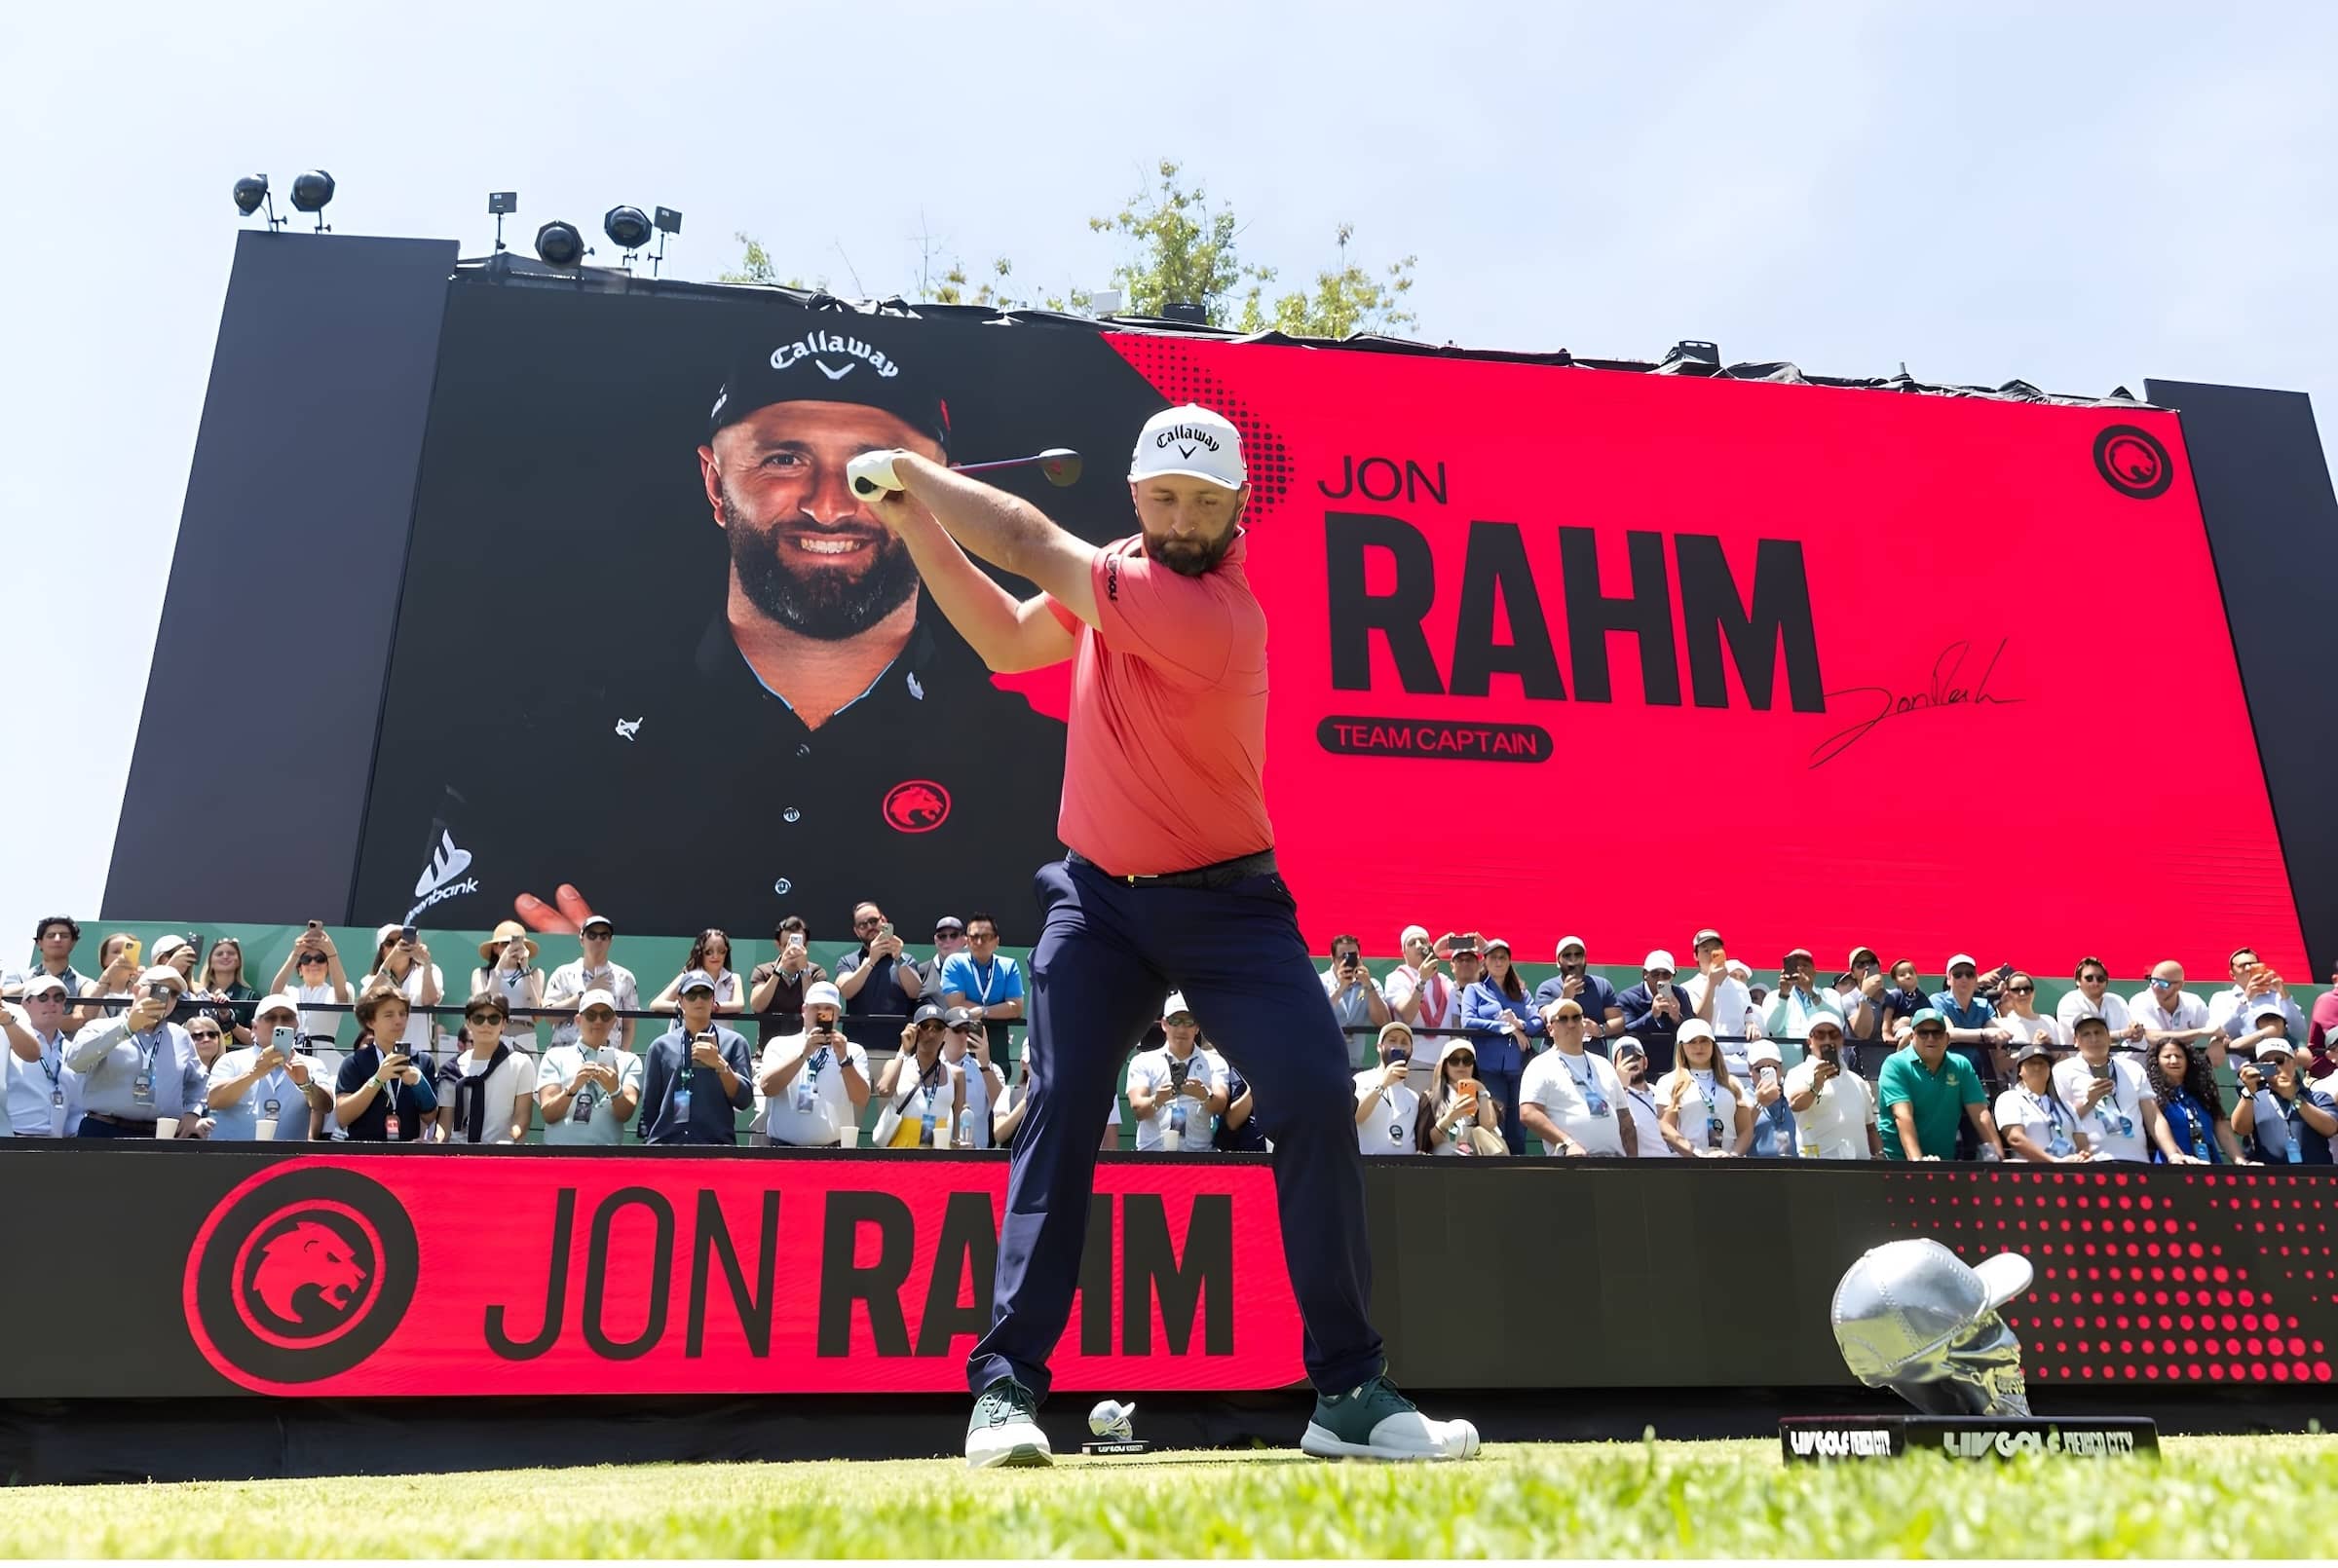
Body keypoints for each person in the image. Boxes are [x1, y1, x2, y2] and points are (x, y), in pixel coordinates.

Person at [859, 400, 1476, 1465]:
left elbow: (1019, 540)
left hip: (1231, 905)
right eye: (1164, 497)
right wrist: (913, 514)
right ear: (1136, 497)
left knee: (1317, 1094)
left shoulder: (1213, 612)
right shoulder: (1116, 577)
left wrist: (915, 471)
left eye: (1204, 499)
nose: (1183, 516)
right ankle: (1006, 1391)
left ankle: (1348, 1392)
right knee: (1059, 1106)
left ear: (1240, 507)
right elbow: (1009, 641)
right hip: (1095, 902)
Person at [376, 317, 1072, 939]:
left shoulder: (1045, 769)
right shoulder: (551, 743)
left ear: (944, 490)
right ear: (715, 483)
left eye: (875, 468)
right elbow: (427, 963)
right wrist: (547, 984)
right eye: (784, 458)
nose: (830, 506)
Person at [66, 966, 209, 1139]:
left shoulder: (180, 1036)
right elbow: (75, 1061)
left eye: (174, 994)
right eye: (159, 989)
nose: (165, 997)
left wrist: (192, 1113)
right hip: (104, 1130)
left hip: (160, 1133)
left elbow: (199, 1082)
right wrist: (126, 1029)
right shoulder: (100, 1026)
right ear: (136, 989)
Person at [637, 970, 754, 1145]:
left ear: (713, 999)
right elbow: (650, 1106)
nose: (699, 1000)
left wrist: (721, 1066)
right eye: (692, 994)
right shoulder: (661, 1046)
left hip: (716, 1145)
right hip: (667, 1145)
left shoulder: (735, 1042)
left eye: (705, 994)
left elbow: (744, 1099)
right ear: (680, 1001)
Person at [1876, 1010, 2003, 1162]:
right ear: (1912, 1037)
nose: (1931, 1038)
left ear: (1947, 1038)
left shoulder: (1960, 1065)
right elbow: (1902, 1116)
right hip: (1896, 1162)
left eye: (1937, 1033)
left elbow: (1981, 1114)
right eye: (1923, 1033)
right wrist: (1918, 1162)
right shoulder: (1895, 1064)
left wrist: (1999, 1158)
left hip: (1943, 1162)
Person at [207, 993, 336, 1141]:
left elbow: (325, 1106)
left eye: (287, 1018)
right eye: (270, 1018)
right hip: (232, 1159)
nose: (279, 1024)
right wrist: (254, 1074)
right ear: (254, 1027)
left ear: (296, 1025)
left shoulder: (311, 1064)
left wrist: (306, 1084)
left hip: (286, 1161)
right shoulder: (231, 1060)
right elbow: (214, 1101)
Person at [756, 980, 869, 1148]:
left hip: (833, 1153)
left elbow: (861, 1098)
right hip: (784, 1151)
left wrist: (844, 1060)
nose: (821, 1014)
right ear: (804, 1010)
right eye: (816, 1007)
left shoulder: (852, 1050)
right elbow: (767, 1088)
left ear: (837, 1015)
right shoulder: (779, 1045)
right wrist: (803, 1054)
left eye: (828, 1009)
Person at [1518, 998, 1632, 1157]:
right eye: (1563, 1019)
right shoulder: (1540, 1065)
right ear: (1550, 1029)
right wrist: (1567, 1142)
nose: (1571, 1024)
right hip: (1572, 1163)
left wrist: (1633, 1164)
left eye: (1576, 1017)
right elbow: (1528, 1113)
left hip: (1614, 1162)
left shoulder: (1603, 1064)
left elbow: (1625, 1117)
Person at [1457, 937, 1540, 1153]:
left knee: (1519, 1126)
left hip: (1518, 1067)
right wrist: (1505, 1027)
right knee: (1494, 1123)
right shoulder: (1474, 990)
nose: (1498, 962)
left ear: (1509, 961)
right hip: (1488, 1067)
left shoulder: (1521, 992)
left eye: (1503, 957)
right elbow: (1468, 1021)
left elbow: (1538, 1020)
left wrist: (1520, 1024)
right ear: (1485, 961)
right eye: (1493, 957)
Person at [2049, 1013, 2164, 1164]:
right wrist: (2088, 1102)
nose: (2094, 1039)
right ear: (2075, 1041)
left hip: (2136, 1160)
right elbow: (2058, 1123)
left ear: (2109, 1037)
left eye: (2098, 1032)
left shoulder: (2132, 1068)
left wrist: (2173, 1153)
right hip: (2090, 1161)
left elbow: (2154, 1118)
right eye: (2086, 1034)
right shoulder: (2062, 1070)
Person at [536, 989, 643, 1146]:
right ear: (579, 1020)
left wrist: (615, 1090)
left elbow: (625, 1115)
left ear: (613, 1021)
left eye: (605, 1015)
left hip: (606, 1156)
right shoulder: (554, 1056)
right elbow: (548, 1114)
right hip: (560, 1155)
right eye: (591, 1015)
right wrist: (573, 1088)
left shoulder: (629, 1060)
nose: (598, 1021)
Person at [333, 987, 438, 1142]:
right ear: (370, 1022)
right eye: (389, 1015)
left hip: (407, 1154)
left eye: (403, 1014)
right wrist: (377, 1080)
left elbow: (430, 1117)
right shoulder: (354, 1062)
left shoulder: (422, 1060)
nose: (399, 1020)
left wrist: (419, 1084)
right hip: (364, 1155)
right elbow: (342, 1117)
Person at [1126, 993, 1226, 1152]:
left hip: (1199, 1157)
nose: (1181, 1029)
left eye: (1189, 1022)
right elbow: (1138, 1110)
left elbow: (1221, 1106)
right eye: (1175, 1021)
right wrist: (1157, 1099)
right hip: (1151, 1156)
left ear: (1198, 1026)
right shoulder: (1143, 1061)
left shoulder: (1215, 1062)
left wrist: (1204, 1095)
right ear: (1164, 1024)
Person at [438, 993, 536, 1144]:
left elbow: (522, 1116)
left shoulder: (520, 1063)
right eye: (479, 1018)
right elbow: (444, 1122)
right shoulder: (452, 1069)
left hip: (500, 1155)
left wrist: (511, 1138)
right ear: (468, 1023)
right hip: (458, 1155)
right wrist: (433, 1141)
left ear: (504, 1023)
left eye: (494, 1018)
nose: (486, 1024)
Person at [1783, 1014, 1879, 1159]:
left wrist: (1880, 1154)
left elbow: (1870, 1128)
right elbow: (1795, 1104)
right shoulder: (1798, 1073)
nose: (1827, 1040)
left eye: (1834, 1034)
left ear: (1841, 1040)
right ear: (1809, 1041)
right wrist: (1816, 1084)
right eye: (1819, 1035)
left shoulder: (1857, 1081)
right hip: (1819, 1170)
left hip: (1860, 1169)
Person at [542, 914, 641, 1051]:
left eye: (604, 936)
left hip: (607, 1055)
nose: (598, 940)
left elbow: (628, 1027)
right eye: (592, 935)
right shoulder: (563, 974)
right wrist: (584, 994)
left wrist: (622, 1058)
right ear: (582, 939)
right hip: (565, 1055)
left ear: (610, 941)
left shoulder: (625, 978)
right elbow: (549, 1017)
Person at [873, 1003, 964, 1149]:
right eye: (925, 1026)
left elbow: (958, 1120)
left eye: (938, 1028)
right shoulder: (896, 1064)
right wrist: (903, 1049)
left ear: (944, 1033)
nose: (931, 1033)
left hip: (938, 1152)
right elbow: (884, 1090)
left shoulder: (956, 1074)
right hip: (900, 1151)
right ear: (914, 1030)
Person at [1656, 1020, 1752, 1157]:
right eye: (1692, 1042)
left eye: (1704, 1041)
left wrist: (1733, 1157)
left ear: (1713, 1045)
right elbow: (1666, 1127)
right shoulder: (1668, 1082)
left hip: (1728, 1166)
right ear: (1681, 1046)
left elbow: (1745, 1129)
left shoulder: (1733, 1083)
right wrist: (1696, 1155)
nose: (1699, 1047)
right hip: (1689, 1166)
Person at [2234, 1039, 2336, 1164]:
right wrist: (2248, 1092)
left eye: (2279, 1061)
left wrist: (2294, 1098)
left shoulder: (2317, 1097)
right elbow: (2240, 1129)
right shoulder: (2254, 1098)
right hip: (2272, 1179)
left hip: (2316, 1178)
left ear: (2293, 1063)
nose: (2275, 1067)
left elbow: (2330, 1128)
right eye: (2266, 1063)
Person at [4, 976, 82, 1137]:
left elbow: (76, 1108)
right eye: (43, 997)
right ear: (25, 1004)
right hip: (13, 1142)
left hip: (57, 1147)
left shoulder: (73, 1050)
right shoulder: (7, 1044)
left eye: (58, 998)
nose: (51, 1003)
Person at [837, 904, 921, 1052]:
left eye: (874, 921)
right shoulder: (848, 961)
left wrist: (899, 959)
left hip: (899, 1050)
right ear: (857, 932)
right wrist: (871, 961)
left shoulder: (906, 959)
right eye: (863, 925)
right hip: (858, 1051)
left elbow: (915, 992)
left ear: (884, 921)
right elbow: (845, 991)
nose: (870, 927)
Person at [2144, 1036, 2240, 1165]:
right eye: (2167, 1056)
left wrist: (2240, 1160)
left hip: (2210, 1166)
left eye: (2179, 1056)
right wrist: (2176, 1156)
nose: (2174, 1060)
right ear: (2157, 1062)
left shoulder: (2203, 1093)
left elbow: (2223, 1131)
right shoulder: (2151, 1096)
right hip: (2173, 1166)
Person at [1992, 1043, 2093, 1164]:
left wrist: (2082, 1157)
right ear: (2020, 1071)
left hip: (2069, 1172)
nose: (2037, 1067)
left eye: (2042, 1063)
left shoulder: (2064, 1105)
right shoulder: (2009, 1098)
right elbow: (2015, 1138)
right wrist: (2053, 1162)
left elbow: (2082, 1142)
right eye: (2031, 1063)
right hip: (2031, 1174)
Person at [358, 925, 445, 1063]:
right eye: (390, 943)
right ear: (382, 951)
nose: (398, 945)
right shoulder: (373, 979)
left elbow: (431, 1000)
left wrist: (426, 964)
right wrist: (390, 961)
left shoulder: (430, 971)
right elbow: (365, 1002)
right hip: (383, 1053)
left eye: (402, 940)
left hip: (419, 1052)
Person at [1682, 929, 1759, 1084]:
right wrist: (1711, 983)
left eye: (1716, 949)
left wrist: (1751, 1024)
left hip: (1739, 1063)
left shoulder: (1741, 987)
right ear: (1696, 956)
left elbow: (1748, 1016)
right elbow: (1699, 1024)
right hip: (1705, 1062)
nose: (1711, 953)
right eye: (1705, 950)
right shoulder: (1687, 988)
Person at [940, 913, 1027, 1047]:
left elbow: (1016, 1008)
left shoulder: (1008, 966)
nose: (979, 942)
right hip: (961, 1040)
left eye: (985, 937)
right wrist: (998, 1010)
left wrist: (983, 1011)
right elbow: (956, 1004)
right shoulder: (954, 963)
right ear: (967, 941)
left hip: (997, 1040)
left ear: (996, 941)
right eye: (974, 937)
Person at [1930, 954, 2012, 1090]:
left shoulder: (1983, 1004)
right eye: (1958, 974)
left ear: (1975, 979)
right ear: (1949, 979)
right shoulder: (1937, 1000)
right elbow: (1948, 1033)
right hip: (1944, 1074)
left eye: (1969, 974)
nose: (1964, 978)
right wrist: (1984, 1033)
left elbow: (1994, 1028)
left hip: (1978, 1077)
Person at [748, 915, 829, 1047]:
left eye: (798, 944)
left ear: (806, 945)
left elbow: (818, 1009)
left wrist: (804, 971)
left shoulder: (817, 973)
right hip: (769, 1051)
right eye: (787, 945)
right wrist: (779, 970)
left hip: (807, 1050)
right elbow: (757, 1006)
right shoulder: (763, 971)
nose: (792, 950)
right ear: (778, 945)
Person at [468, 922, 547, 1053]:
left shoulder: (535, 973)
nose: (512, 949)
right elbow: (481, 1006)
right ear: (495, 948)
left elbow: (537, 1015)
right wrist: (499, 968)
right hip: (493, 1034)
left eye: (517, 945)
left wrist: (525, 971)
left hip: (524, 1036)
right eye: (505, 944)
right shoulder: (482, 973)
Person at [1348, 1020, 1423, 1158]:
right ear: (1379, 1046)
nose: (1398, 1047)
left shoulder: (1413, 1097)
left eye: (1404, 1043)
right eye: (1392, 1041)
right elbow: (1356, 1117)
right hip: (1368, 1168)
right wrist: (1383, 1084)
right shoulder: (1361, 1079)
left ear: (1411, 1051)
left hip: (1403, 1172)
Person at [2205, 946, 2307, 1045]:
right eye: (2242, 965)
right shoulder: (2222, 998)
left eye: (2253, 964)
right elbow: (2219, 1032)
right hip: (2243, 1059)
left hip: (2280, 1058)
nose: (2248, 968)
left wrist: (2284, 994)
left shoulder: (2277, 996)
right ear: (2232, 975)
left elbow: (2299, 1032)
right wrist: (2246, 998)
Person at [272, 925, 352, 1050]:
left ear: (328, 966)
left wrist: (331, 953)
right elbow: (274, 994)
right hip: (292, 1051)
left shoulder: (335, 991)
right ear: (299, 969)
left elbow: (342, 998)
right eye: (306, 959)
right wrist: (296, 953)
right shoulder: (290, 992)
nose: (313, 963)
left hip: (325, 1053)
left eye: (320, 959)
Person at [1532, 936, 1624, 1043]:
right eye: (1567, 955)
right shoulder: (1547, 988)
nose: (1573, 959)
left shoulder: (1602, 985)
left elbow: (1618, 1021)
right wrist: (1565, 997)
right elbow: (1547, 1018)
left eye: (1578, 954)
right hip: (1556, 1055)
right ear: (1558, 961)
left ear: (1585, 959)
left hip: (1593, 1055)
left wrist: (1599, 1029)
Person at [1421, 1037, 1502, 1155]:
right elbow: (1427, 1142)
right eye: (1454, 1060)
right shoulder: (1431, 1097)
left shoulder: (1482, 1096)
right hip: (1445, 1163)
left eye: (1467, 1060)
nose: (1461, 1065)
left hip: (1477, 1164)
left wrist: (1482, 1091)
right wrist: (1451, 1117)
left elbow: (1488, 1127)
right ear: (1445, 1065)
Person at [1616, 952, 1693, 1076]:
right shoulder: (1628, 997)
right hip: (1636, 1068)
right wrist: (1652, 1015)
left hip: (1669, 1067)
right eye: (1655, 974)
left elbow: (1692, 1028)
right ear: (1645, 974)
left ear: (1673, 975)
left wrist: (1677, 1018)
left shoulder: (1679, 994)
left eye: (1666, 974)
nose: (1660, 979)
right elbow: (1626, 1030)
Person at [2131, 961, 2220, 1067]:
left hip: (2178, 1070)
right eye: (2153, 981)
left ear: (2179, 985)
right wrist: (2200, 1032)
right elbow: (2153, 1038)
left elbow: (2215, 1030)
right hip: (2142, 1069)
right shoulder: (2140, 1000)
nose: (2155, 987)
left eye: (2163, 983)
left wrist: (2216, 1041)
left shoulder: (2194, 1002)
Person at [1321, 934, 1393, 1066]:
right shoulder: (1320, 983)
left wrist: (1368, 986)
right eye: (1343, 957)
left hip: (1355, 1063)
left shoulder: (1371, 985)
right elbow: (1317, 1018)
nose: (1348, 961)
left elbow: (1384, 1022)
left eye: (1353, 956)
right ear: (1332, 958)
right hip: (1324, 1061)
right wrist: (1340, 988)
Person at [940, 1007, 1007, 1150]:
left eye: (969, 1029)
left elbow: (1001, 1109)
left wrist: (985, 1064)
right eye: (958, 1029)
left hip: (975, 1155)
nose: (965, 1035)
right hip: (937, 1152)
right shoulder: (931, 1067)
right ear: (944, 1033)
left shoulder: (990, 1069)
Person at [1383, 926, 1458, 1039]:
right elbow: (1407, 1016)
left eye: (1423, 942)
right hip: (1410, 1055)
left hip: (1443, 1055)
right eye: (1412, 943)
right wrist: (1422, 981)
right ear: (1404, 952)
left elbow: (1455, 1023)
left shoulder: (1446, 981)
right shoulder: (1396, 978)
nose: (1418, 946)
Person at [651, 929, 746, 1017]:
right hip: (686, 1034)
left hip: (721, 1035)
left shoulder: (733, 978)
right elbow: (656, 1004)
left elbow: (739, 1005)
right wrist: (682, 1007)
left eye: (721, 951)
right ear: (700, 952)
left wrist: (714, 1007)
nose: (715, 956)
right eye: (709, 952)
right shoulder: (687, 976)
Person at [1761, 948, 1844, 1042]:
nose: (1800, 969)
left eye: (1805, 965)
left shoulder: (1830, 994)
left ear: (1814, 972)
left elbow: (1838, 1023)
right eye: (1795, 965)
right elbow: (1772, 1029)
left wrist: (1811, 993)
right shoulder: (1773, 996)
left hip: (1821, 1056)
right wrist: (1784, 996)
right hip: (1787, 1057)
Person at [2057, 957, 2144, 1046]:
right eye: (2089, 978)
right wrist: (2123, 1034)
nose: (2095, 983)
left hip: (2117, 1057)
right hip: (2078, 1057)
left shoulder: (2117, 1001)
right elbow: (2086, 1039)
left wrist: (2136, 1031)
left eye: (2100, 978)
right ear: (2078, 981)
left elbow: (2129, 1034)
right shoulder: (2069, 1001)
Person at [192, 937, 262, 1044]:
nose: (225, 956)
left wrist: (228, 1019)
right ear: (210, 962)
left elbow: (255, 1039)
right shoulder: (197, 994)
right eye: (219, 954)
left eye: (231, 953)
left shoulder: (250, 996)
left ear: (239, 961)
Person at [1612, 1038, 1674, 1158]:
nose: (1631, 1063)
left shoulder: (1662, 1090)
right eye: (1624, 1059)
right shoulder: (1614, 1097)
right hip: (1645, 1168)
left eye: (1636, 1057)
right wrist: (1622, 1087)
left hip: (1676, 1163)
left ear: (1645, 1062)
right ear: (1614, 1066)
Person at [1741, 1040, 1798, 1157]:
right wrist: (1759, 1103)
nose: (1764, 1074)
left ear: (1780, 1069)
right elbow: (1740, 1133)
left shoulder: (1790, 1094)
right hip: (1758, 1169)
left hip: (1793, 1168)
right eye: (1759, 1070)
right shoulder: (1743, 1098)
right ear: (1750, 1070)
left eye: (1772, 1068)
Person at [908, 916, 966, 1012]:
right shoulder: (920, 972)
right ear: (936, 940)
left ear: (964, 940)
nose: (947, 940)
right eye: (942, 936)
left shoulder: (973, 971)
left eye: (954, 935)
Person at [1996, 973, 2066, 1051]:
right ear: (2008, 994)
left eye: (2027, 989)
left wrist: (2051, 1047)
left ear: (2033, 992)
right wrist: (2034, 1047)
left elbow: (2064, 1055)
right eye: (2016, 990)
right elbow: (2001, 1061)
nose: (2022, 993)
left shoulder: (2050, 1021)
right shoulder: (2001, 1025)